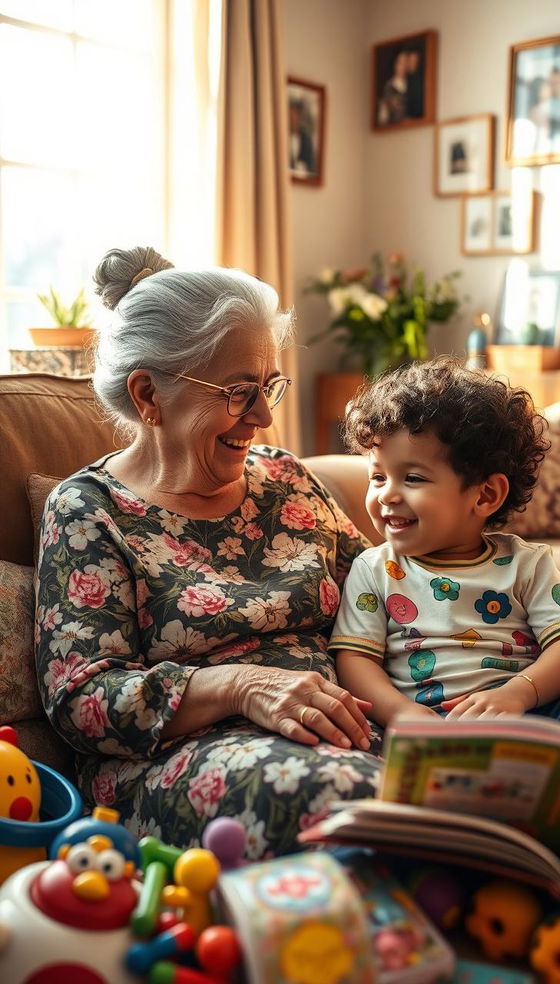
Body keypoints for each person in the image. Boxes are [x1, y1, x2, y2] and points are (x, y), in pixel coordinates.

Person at [34, 246, 381, 855]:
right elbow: (82, 702)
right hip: (189, 760)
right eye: (239, 390)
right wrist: (243, 685)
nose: (265, 415)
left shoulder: (287, 478)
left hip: (345, 723)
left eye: (268, 385)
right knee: (356, 799)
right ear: (148, 395)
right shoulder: (90, 510)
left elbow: (384, 592)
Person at [329, 357, 560, 733]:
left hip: (534, 709)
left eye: (411, 477)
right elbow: (355, 660)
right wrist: (399, 713)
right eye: (378, 476)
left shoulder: (526, 562)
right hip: (438, 724)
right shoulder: (374, 568)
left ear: (486, 495)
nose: (387, 494)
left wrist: (519, 693)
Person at [377, 50, 408, 126]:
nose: (402, 66)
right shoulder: (389, 86)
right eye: (400, 63)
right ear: (395, 64)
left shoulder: (412, 85)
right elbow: (383, 116)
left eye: (405, 63)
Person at [289, 98, 315, 176]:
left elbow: (311, 166)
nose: (293, 119)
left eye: (295, 115)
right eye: (291, 116)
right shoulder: (281, 137)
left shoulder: (306, 139)